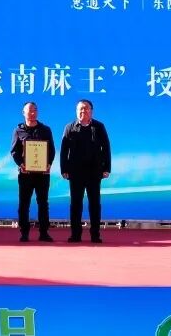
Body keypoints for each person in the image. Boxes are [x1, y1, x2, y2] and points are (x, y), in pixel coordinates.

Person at [60, 99, 111, 244]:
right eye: (80, 109)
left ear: (91, 111)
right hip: (75, 172)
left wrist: (107, 168)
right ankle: (75, 234)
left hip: (94, 171)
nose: (83, 111)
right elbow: (64, 150)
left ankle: (95, 235)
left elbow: (106, 147)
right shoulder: (70, 127)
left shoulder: (99, 127)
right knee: (76, 204)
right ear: (76, 111)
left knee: (95, 204)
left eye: (86, 108)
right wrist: (64, 169)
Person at [10, 102, 55, 242]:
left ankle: (44, 232)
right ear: (23, 113)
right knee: (24, 203)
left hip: (43, 174)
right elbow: (14, 152)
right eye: (29, 110)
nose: (33, 113)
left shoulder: (45, 130)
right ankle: (24, 232)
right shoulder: (18, 131)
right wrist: (21, 164)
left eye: (35, 110)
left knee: (43, 203)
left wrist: (48, 164)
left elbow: (51, 150)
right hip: (25, 174)